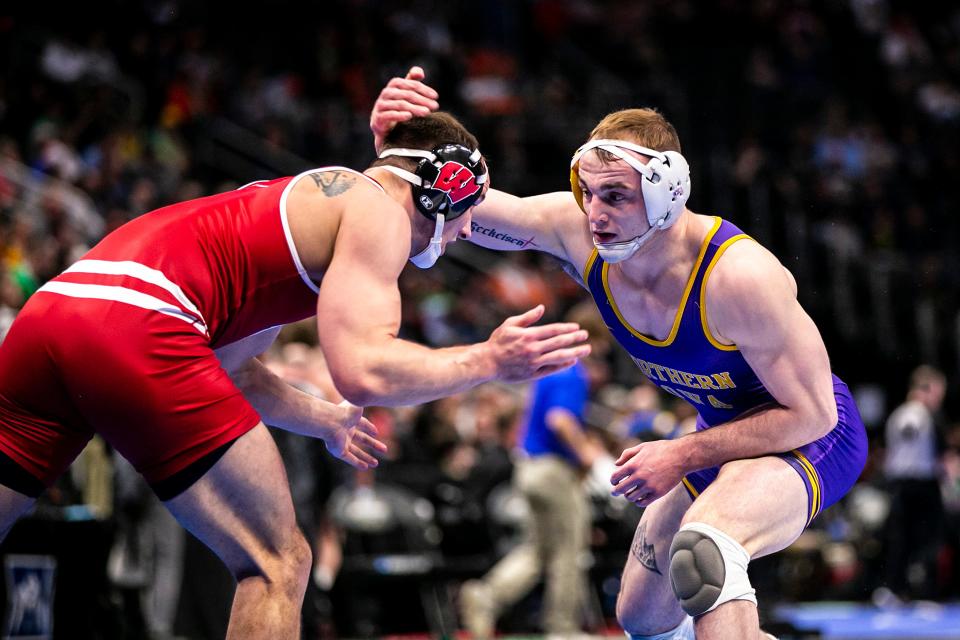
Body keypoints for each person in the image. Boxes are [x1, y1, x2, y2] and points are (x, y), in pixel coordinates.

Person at [0, 111, 590, 639]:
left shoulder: (296, 214)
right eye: (467, 214)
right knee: (279, 562)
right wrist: (487, 361)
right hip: (140, 322)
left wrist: (327, 420)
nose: (464, 232)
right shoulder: (378, 212)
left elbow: (234, 372)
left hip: (54, 312)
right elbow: (365, 372)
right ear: (440, 192)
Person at [371, 70, 868, 640]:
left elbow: (812, 415)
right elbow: (463, 208)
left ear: (667, 193)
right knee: (643, 617)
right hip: (719, 433)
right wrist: (397, 156)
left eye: (615, 196)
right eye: (587, 193)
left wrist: (680, 455)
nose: (595, 215)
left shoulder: (739, 277)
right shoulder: (582, 233)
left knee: (707, 547)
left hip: (811, 435)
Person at [459, 303, 607, 638]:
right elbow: (561, 420)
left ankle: (487, 596)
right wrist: (588, 456)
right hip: (553, 471)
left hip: (527, 468)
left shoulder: (550, 367)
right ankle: (562, 628)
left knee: (538, 549)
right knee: (571, 548)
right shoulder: (574, 368)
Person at [877, 364, 947, 603]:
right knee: (930, 538)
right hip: (922, 485)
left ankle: (895, 588)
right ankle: (926, 591)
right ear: (927, 390)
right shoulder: (926, 416)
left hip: (899, 485)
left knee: (900, 539)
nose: (939, 399)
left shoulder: (897, 415)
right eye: (938, 393)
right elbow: (940, 453)